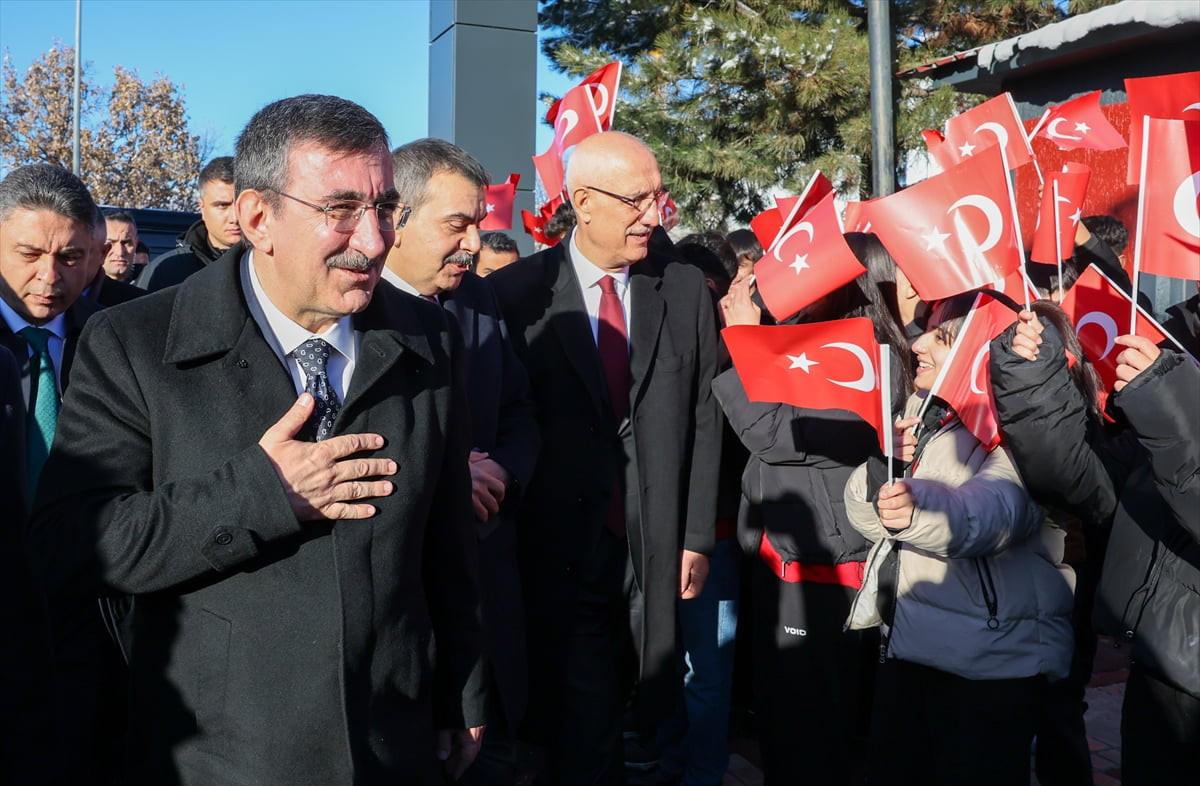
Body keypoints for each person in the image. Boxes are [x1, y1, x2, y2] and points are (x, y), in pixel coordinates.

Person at [29, 94, 486, 785]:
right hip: (222, 753)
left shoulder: (428, 335)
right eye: (341, 210)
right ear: (257, 218)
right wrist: (263, 492)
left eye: (385, 208)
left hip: (393, 741)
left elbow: (447, 538)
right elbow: (77, 541)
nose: (373, 240)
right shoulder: (135, 342)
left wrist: (461, 690)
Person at [488, 131, 721, 784]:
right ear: (584, 202)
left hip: (656, 546)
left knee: (640, 694)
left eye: (658, 198)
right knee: (579, 714)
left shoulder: (683, 289)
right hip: (557, 545)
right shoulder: (517, 295)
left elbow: (705, 416)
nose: (653, 214)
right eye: (636, 200)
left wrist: (696, 536)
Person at [843, 291, 1075, 786]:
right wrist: (881, 467)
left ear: (984, 350)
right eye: (926, 330)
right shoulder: (924, 407)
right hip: (910, 646)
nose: (917, 345)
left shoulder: (1026, 421)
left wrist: (914, 503)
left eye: (941, 337)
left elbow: (992, 515)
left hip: (989, 665)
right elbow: (868, 520)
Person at [712, 233, 912, 785]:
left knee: (812, 727)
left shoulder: (871, 360)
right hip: (784, 559)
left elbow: (774, 434)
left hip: (828, 570)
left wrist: (744, 337)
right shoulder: (820, 340)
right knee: (785, 720)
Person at [383, 136, 539, 784]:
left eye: (478, 224)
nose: (474, 244)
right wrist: (451, 475)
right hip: (404, 608)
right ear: (396, 218)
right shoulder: (347, 310)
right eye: (457, 225)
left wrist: (503, 469)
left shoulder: (478, 300)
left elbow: (520, 408)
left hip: (489, 583)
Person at [991, 312, 1200, 783]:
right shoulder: (1180, 339)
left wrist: (1172, 408)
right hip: (1163, 660)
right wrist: (1033, 379)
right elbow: (1090, 485)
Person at [141, 156, 243, 291]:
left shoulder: (271, 266)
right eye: (222, 205)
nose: (234, 217)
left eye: (242, 205)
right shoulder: (166, 271)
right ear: (202, 208)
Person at [101, 210, 139, 283]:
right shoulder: (80, 286)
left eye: (126, 242)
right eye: (110, 243)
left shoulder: (150, 283)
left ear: (136, 243)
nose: (120, 252)